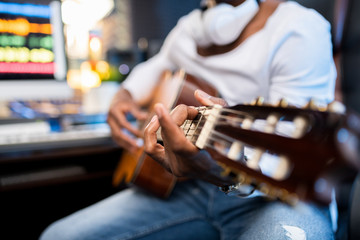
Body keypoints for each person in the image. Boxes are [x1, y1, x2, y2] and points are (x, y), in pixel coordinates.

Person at [40, 0, 337, 239]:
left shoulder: (299, 28)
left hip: (279, 196)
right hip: (184, 188)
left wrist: (218, 168)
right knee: (57, 234)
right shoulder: (190, 27)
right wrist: (124, 97)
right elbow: (153, 68)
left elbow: (289, 160)